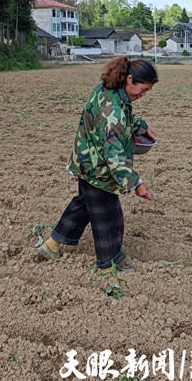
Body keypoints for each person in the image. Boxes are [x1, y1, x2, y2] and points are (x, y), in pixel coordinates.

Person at [39, 57, 158, 273]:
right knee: (109, 217)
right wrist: (136, 183)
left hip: (85, 160)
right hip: (97, 168)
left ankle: (52, 245)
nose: (143, 94)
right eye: (144, 89)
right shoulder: (113, 110)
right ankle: (108, 264)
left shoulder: (111, 89)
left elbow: (124, 116)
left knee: (83, 206)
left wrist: (142, 126)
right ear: (130, 79)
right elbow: (116, 159)